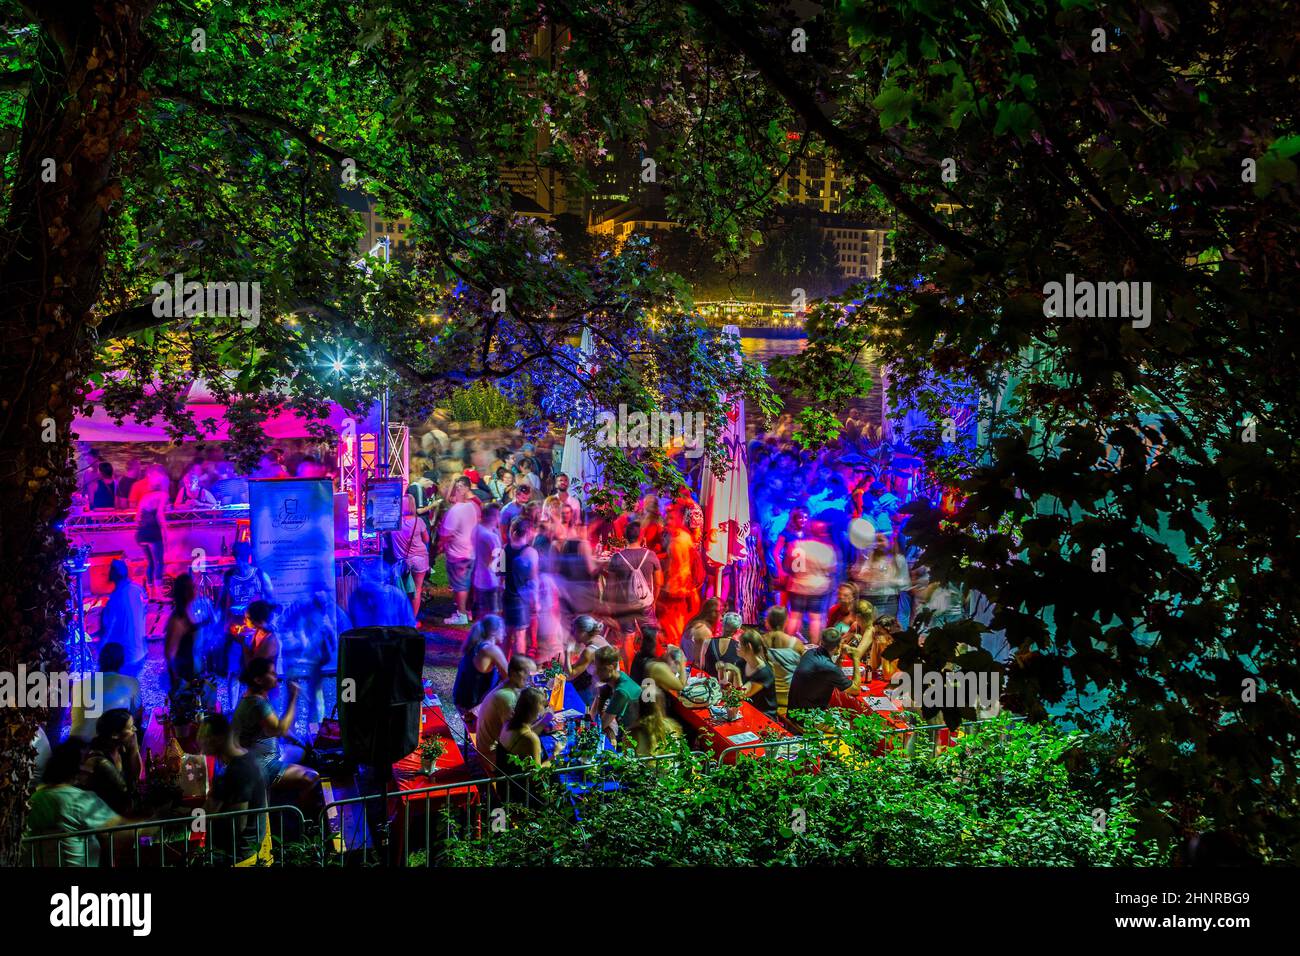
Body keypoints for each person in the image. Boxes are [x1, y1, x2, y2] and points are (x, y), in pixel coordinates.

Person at [23, 741, 127, 867]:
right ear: (75, 767)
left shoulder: (35, 797)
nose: (89, 769)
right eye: (85, 761)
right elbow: (121, 831)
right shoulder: (79, 799)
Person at [230, 658, 318, 797]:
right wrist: (293, 698)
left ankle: (287, 794)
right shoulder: (257, 704)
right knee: (311, 776)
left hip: (269, 755)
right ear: (258, 680)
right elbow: (279, 729)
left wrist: (299, 742)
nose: (276, 676)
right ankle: (297, 810)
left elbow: (277, 726)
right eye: (272, 673)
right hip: (261, 766)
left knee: (305, 752)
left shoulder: (256, 697)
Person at [198, 712, 270, 865]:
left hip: (235, 854)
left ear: (217, 739)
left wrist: (191, 823)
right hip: (235, 847)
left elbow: (237, 825)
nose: (200, 741)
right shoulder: (243, 759)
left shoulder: (239, 771)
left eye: (204, 736)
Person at [218, 542, 274, 710]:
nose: (238, 562)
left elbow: (272, 602)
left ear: (247, 558)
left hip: (256, 634)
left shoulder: (260, 576)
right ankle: (233, 711)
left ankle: (262, 709)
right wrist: (218, 624)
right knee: (234, 672)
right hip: (236, 633)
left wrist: (268, 624)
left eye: (241, 558)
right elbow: (221, 603)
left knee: (259, 673)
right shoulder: (229, 577)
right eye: (236, 558)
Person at [472, 655, 541, 776]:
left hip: (488, 749)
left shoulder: (506, 687)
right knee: (539, 754)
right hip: (492, 758)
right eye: (526, 673)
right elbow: (517, 735)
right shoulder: (507, 698)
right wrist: (544, 719)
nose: (529, 678)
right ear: (513, 674)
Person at [787, 625, 870, 716]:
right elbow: (855, 690)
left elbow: (835, 673)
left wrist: (841, 656)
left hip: (794, 710)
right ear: (838, 646)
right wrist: (856, 658)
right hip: (806, 718)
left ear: (821, 641)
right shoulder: (829, 668)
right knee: (850, 720)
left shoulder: (810, 652)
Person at [68, 642, 142, 741]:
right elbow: (137, 715)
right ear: (122, 662)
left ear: (99, 661)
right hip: (109, 745)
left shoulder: (79, 685)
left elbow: (76, 718)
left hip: (77, 744)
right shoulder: (131, 682)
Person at [76, 708, 140, 816]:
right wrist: (134, 750)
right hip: (100, 816)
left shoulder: (120, 749)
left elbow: (136, 777)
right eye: (130, 727)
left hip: (115, 810)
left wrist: (134, 750)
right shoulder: (100, 762)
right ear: (115, 735)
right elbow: (126, 793)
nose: (135, 730)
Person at [450, 615, 510, 728]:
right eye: (502, 629)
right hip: (474, 708)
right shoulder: (491, 650)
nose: (505, 634)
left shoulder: (474, 646)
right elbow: (510, 678)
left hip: (461, 702)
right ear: (493, 632)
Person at [784, 519, 838, 645]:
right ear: (822, 532)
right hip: (817, 588)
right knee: (815, 619)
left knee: (794, 616)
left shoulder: (796, 544)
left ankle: (787, 647)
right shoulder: (826, 549)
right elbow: (831, 570)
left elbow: (788, 565)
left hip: (797, 585)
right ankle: (814, 647)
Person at [605, 519, 662, 637]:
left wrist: (611, 607)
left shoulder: (617, 558)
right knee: (650, 638)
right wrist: (654, 601)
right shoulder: (651, 555)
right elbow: (658, 582)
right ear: (641, 536)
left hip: (625, 605)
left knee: (628, 637)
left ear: (625, 537)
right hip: (645, 603)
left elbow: (610, 587)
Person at [656, 508, 703, 645]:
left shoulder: (681, 539)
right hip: (674, 590)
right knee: (671, 626)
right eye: (667, 518)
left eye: (670, 518)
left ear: (679, 520)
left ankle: (675, 650)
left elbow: (694, 562)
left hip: (677, 591)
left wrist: (692, 585)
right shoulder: (678, 537)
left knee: (674, 628)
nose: (667, 521)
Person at [98, 559, 147, 677]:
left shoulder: (115, 598)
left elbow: (107, 630)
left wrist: (100, 652)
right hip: (140, 652)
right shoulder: (138, 590)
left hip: (123, 657)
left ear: (113, 574)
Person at [439, 482, 479, 625]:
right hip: (471, 551)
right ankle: (467, 611)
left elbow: (446, 534)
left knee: (460, 586)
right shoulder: (472, 506)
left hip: (458, 554)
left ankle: (461, 615)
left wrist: (442, 543)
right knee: (467, 584)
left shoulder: (455, 511)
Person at [502, 517, 540, 655]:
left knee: (507, 634)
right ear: (528, 531)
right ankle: (519, 667)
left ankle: (504, 665)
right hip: (521, 600)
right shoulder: (530, 552)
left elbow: (500, 574)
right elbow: (533, 579)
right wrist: (535, 602)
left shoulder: (505, 548)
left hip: (507, 596)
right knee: (520, 636)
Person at [760, 607, 806, 717]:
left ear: (768, 621)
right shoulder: (796, 644)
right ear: (786, 622)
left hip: (766, 695)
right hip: (788, 696)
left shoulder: (760, 641)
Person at [394, 492, 432, 619]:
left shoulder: (395, 523)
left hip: (402, 561)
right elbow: (426, 539)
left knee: (401, 590)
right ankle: (412, 620)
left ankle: (402, 618)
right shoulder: (418, 522)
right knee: (417, 589)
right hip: (419, 559)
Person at [591, 645, 640, 742]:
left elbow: (601, 725)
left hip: (634, 739)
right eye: (596, 668)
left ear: (612, 667)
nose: (596, 672)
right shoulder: (620, 676)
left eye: (601, 669)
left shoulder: (621, 692)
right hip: (627, 732)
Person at [164, 573, 202, 697]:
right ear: (186, 593)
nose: (197, 589)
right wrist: (177, 684)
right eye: (193, 587)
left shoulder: (190, 612)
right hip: (185, 679)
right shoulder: (178, 620)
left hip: (194, 673)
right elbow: (170, 654)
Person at [134, 469, 169, 600]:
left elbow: (137, 518)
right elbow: (159, 514)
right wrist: (165, 532)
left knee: (150, 563)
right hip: (153, 532)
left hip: (141, 534)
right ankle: (159, 595)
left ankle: (150, 595)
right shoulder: (163, 495)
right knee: (159, 562)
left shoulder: (145, 497)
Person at [562, 614, 611, 707]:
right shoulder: (599, 638)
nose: (572, 633)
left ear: (582, 632)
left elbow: (569, 675)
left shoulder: (589, 651)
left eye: (574, 630)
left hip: (600, 693)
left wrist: (567, 653)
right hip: (607, 687)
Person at [729, 630, 778, 718]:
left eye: (739, 644)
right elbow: (730, 686)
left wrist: (736, 672)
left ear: (749, 646)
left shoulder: (764, 673)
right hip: (746, 709)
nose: (736, 646)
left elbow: (741, 694)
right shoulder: (741, 663)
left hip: (763, 716)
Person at [628, 686, 683, 758]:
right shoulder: (673, 727)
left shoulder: (633, 732)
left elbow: (628, 759)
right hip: (673, 765)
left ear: (640, 706)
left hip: (644, 766)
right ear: (662, 705)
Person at [471, 503, 504, 621]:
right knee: (494, 614)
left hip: (478, 579)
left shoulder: (477, 529)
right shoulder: (491, 537)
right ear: (495, 517)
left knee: (481, 613)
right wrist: (502, 580)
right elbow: (499, 561)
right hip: (491, 581)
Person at [629, 626, 687, 693]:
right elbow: (681, 686)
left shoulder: (640, 655)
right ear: (650, 645)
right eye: (660, 642)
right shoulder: (656, 666)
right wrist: (682, 658)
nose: (666, 644)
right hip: (652, 699)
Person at [699, 610, 745, 677]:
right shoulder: (739, 647)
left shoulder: (707, 642)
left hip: (709, 682)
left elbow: (702, 667)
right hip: (729, 683)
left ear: (722, 624)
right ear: (737, 630)